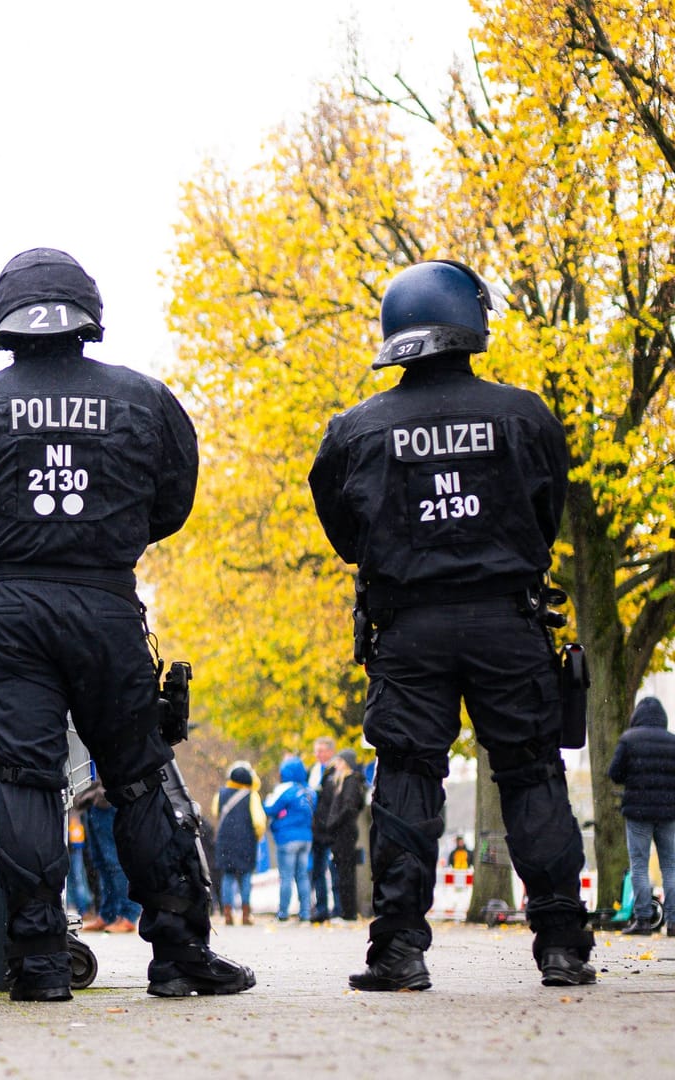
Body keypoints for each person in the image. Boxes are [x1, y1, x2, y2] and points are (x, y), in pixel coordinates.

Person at [0, 248, 251, 1002]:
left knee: (26, 778)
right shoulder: (144, 400)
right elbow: (173, 501)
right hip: (105, 603)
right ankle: (180, 951)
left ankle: (37, 960)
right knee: (137, 775)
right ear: (88, 314)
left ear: (3, 320)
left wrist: (1, 539)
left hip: (11, 606)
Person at [309, 259, 592, 990]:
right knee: (531, 773)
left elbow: (345, 536)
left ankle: (400, 951)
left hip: (408, 630)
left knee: (406, 778)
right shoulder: (524, 415)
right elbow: (546, 514)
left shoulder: (355, 432)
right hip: (509, 621)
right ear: (470, 322)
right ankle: (562, 944)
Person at [609, 697, 675, 935]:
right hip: (668, 812)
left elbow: (614, 773)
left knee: (639, 865)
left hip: (638, 811)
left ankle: (644, 920)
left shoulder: (629, 740)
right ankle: (674, 922)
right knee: (671, 866)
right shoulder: (672, 742)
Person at [73, 777, 138, 934]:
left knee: (115, 861)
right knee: (100, 861)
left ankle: (128, 914)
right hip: (94, 801)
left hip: (111, 799)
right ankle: (108, 914)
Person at [211, 763, 266, 926]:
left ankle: (227, 913)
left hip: (225, 840)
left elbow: (216, 812)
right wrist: (258, 836)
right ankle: (246, 914)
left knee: (227, 876)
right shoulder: (252, 795)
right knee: (245, 875)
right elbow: (259, 821)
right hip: (245, 840)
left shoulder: (220, 794)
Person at [317, 750, 366, 922]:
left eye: (338, 761)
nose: (335, 765)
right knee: (343, 872)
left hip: (345, 832)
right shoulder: (343, 781)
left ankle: (348, 913)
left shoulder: (350, 782)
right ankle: (346, 911)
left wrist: (333, 822)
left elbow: (349, 807)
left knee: (346, 873)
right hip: (341, 831)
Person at [265, 757, 316, 921]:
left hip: (287, 838)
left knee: (286, 876)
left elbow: (270, 808)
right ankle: (305, 913)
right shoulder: (310, 791)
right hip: (306, 837)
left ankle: (283, 913)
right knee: (302, 876)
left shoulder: (285, 788)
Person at [306, 736, 337, 923]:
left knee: (333, 871)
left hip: (330, 829)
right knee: (317, 871)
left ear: (331, 752)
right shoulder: (313, 771)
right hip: (316, 830)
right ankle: (322, 907)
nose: (319, 754)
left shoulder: (335, 771)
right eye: (317, 751)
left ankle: (337, 907)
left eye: (323, 750)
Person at [64, 810, 92, 917]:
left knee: (77, 877)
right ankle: (79, 908)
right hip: (70, 842)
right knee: (76, 877)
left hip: (72, 842)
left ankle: (83, 909)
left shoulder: (74, 812)